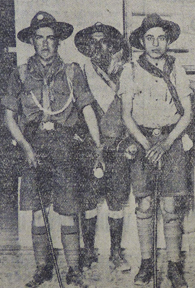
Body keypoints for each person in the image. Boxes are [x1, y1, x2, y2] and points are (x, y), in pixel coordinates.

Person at [2, 11, 103, 288]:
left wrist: (97, 145)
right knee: (38, 211)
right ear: (32, 42)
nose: (45, 43)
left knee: (68, 210)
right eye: (39, 38)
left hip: (64, 147)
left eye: (50, 38)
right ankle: (42, 269)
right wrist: (24, 147)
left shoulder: (72, 71)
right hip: (33, 145)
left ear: (57, 41)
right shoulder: (20, 73)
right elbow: (10, 116)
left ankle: (73, 270)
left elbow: (87, 110)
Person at [119, 13, 192, 287]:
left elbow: (187, 114)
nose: (156, 44)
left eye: (161, 38)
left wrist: (167, 142)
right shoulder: (131, 70)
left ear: (168, 40)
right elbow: (126, 115)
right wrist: (147, 144)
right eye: (150, 38)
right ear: (142, 41)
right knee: (145, 203)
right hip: (142, 143)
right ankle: (147, 263)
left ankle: (174, 266)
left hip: (170, 141)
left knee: (171, 206)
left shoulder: (177, 69)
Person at [74, 22, 130, 272]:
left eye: (104, 41)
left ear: (113, 45)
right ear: (86, 47)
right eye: (93, 42)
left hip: (118, 147)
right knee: (88, 201)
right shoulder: (80, 73)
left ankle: (116, 253)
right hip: (90, 148)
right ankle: (88, 251)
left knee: (117, 201)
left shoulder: (125, 72)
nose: (98, 47)